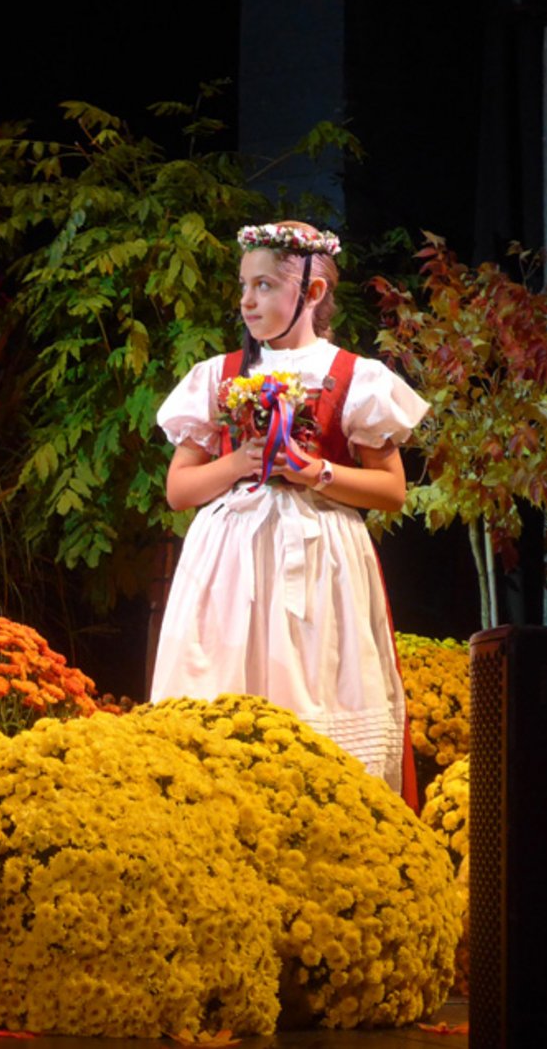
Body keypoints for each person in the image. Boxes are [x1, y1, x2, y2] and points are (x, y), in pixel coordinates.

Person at [149, 221, 428, 802]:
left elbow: (391, 490)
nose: (247, 301)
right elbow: (179, 489)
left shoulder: (355, 377)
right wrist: (241, 462)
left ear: (312, 294)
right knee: (220, 691)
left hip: (319, 555)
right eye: (244, 286)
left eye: (265, 286)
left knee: (317, 685)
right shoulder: (218, 376)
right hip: (229, 564)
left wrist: (315, 472)